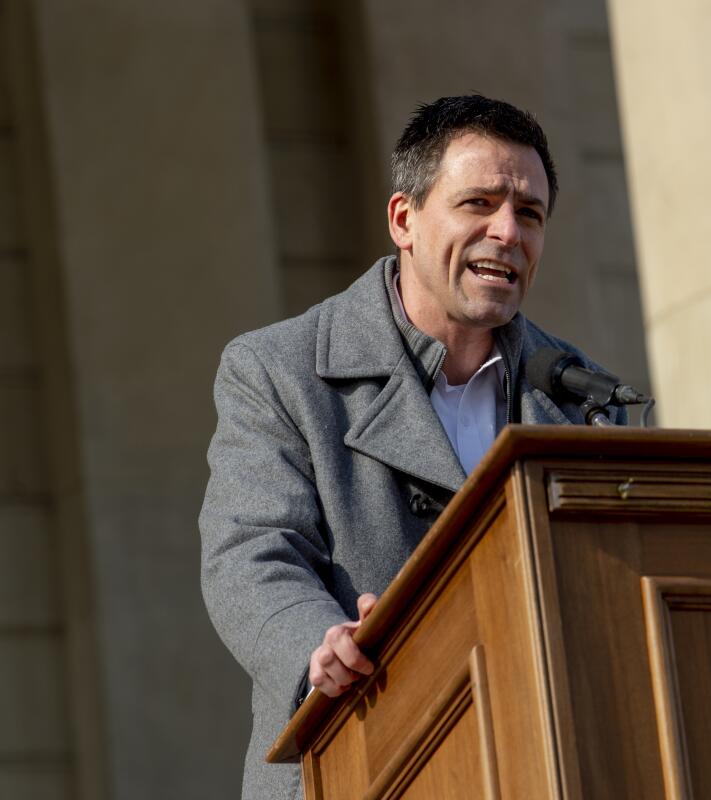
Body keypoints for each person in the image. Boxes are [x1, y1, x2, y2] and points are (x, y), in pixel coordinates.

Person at [199, 95, 623, 800]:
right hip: (358, 757)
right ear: (405, 220)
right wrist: (320, 647)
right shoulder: (277, 369)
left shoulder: (581, 395)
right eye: (479, 204)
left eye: (530, 214)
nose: (507, 232)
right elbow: (250, 553)